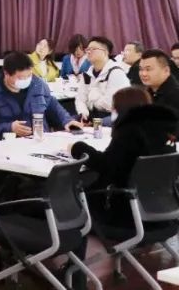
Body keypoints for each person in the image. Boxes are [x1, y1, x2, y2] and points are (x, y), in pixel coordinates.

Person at [70, 87, 179, 228]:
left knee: (76, 191)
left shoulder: (128, 133)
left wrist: (77, 147)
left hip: (125, 213)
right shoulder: (164, 132)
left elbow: (106, 165)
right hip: (162, 209)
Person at [0, 52, 82, 141]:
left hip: (40, 141)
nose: (26, 80)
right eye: (21, 77)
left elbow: (53, 106)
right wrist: (9, 127)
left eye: (29, 75)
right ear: (6, 74)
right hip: (9, 147)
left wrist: (67, 121)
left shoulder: (38, 85)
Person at [76, 36, 130, 121]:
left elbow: (110, 104)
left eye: (93, 49)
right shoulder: (87, 74)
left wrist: (91, 98)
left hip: (113, 117)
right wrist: (83, 113)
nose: (89, 52)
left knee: (102, 123)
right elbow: (80, 99)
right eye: (87, 49)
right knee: (70, 121)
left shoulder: (116, 72)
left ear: (105, 52)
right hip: (91, 115)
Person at [136, 49, 179, 116]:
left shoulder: (175, 96)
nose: (143, 74)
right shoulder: (146, 93)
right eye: (141, 69)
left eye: (148, 69)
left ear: (166, 70)